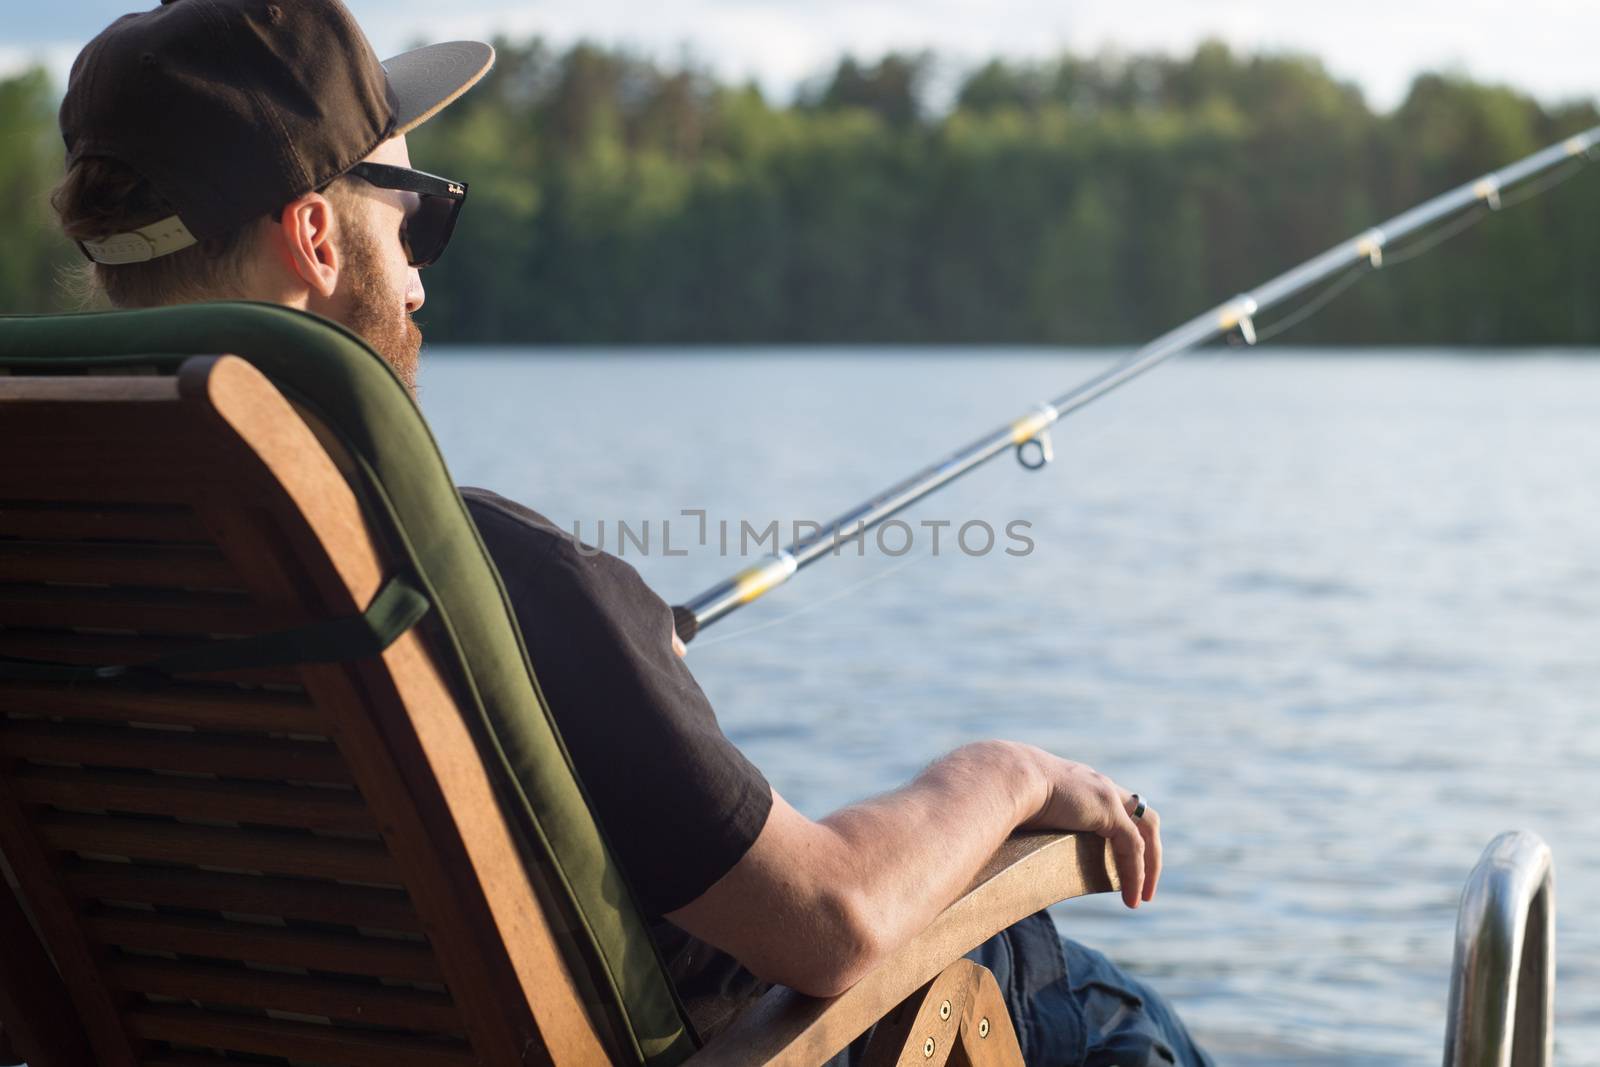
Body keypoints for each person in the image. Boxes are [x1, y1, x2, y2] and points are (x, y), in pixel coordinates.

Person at [48, 2, 1212, 1063]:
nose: (417, 281)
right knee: (1103, 1013)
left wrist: (618, 673)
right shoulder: (485, 579)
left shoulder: (57, 584)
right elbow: (834, 921)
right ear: (314, 236)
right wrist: (1005, 770)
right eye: (415, 220)